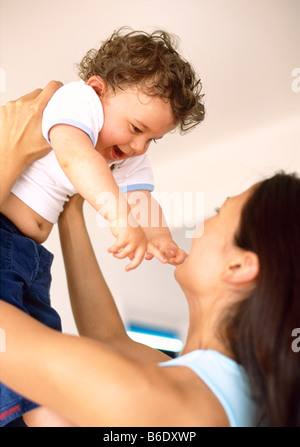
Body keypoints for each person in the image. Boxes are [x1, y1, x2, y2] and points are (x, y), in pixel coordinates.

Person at [0, 86, 299, 427]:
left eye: (220, 211)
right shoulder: (221, 392)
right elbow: (108, 338)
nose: (205, 222)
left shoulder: (174, 401)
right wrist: (72, 209)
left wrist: (8, 156)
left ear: (239, 265)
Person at [2, 28, 205, 272]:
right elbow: (76, 158)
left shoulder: (126, 151)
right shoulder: (78, 101)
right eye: (137, 128)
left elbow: (139, 197)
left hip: (30, 251)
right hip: (4, 233)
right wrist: (120, 217)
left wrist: (160, 236)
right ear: (98, 90)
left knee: (38, 312)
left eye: (153, 139)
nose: (140, 147)